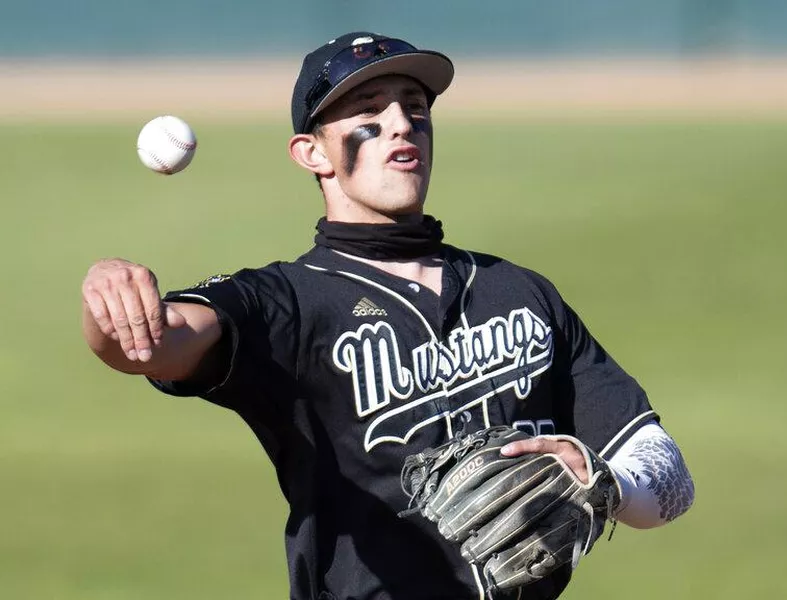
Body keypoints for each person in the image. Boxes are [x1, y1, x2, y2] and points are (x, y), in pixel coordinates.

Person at [81, 32, 695, 600]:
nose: (401, 124)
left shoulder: (518, 292)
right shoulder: (288, 303)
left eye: (415, 109)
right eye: (368, 113)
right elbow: (151, 343)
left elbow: (668, 479)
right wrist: (111, 295)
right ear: (311, 153)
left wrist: (605, 483)